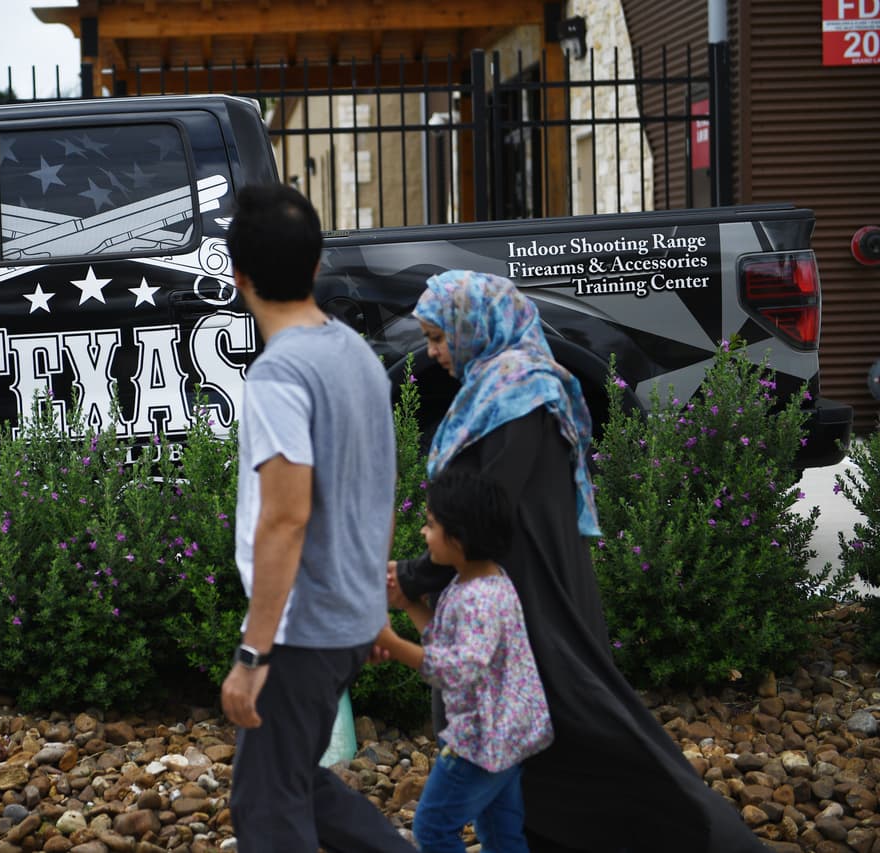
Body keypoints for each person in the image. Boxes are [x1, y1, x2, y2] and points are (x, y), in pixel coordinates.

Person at [391, 269, 764, 852]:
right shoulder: (497, 387)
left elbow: (488, 516)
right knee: (534, 730)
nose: (432, 351)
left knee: (578, 723)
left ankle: (704, 839)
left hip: (530, 602)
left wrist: (414, 577)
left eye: (439, 337)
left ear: (476, 326)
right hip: (520, 595)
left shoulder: (516, 394)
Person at [219, 183, 414, 853]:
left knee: (267, 806)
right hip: (346, 618)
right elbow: (379, 488)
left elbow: (286, 518)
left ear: (237, 276)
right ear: (316, 263)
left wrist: (253, 652)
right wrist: (372, 609)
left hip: (301, 630)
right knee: (293, 778)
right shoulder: (359, 356)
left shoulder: (280, 376)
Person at [376, 468, 552, 853]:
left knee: (433, 828)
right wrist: (409, 606)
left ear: (458, 538)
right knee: (502, 835)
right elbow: (446, 642)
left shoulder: (479, 600)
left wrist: (391, 642)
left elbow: (458, 669)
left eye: (431, 524)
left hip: (480, 742)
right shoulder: (481, 581)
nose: (424, 533)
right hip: (508, 737)